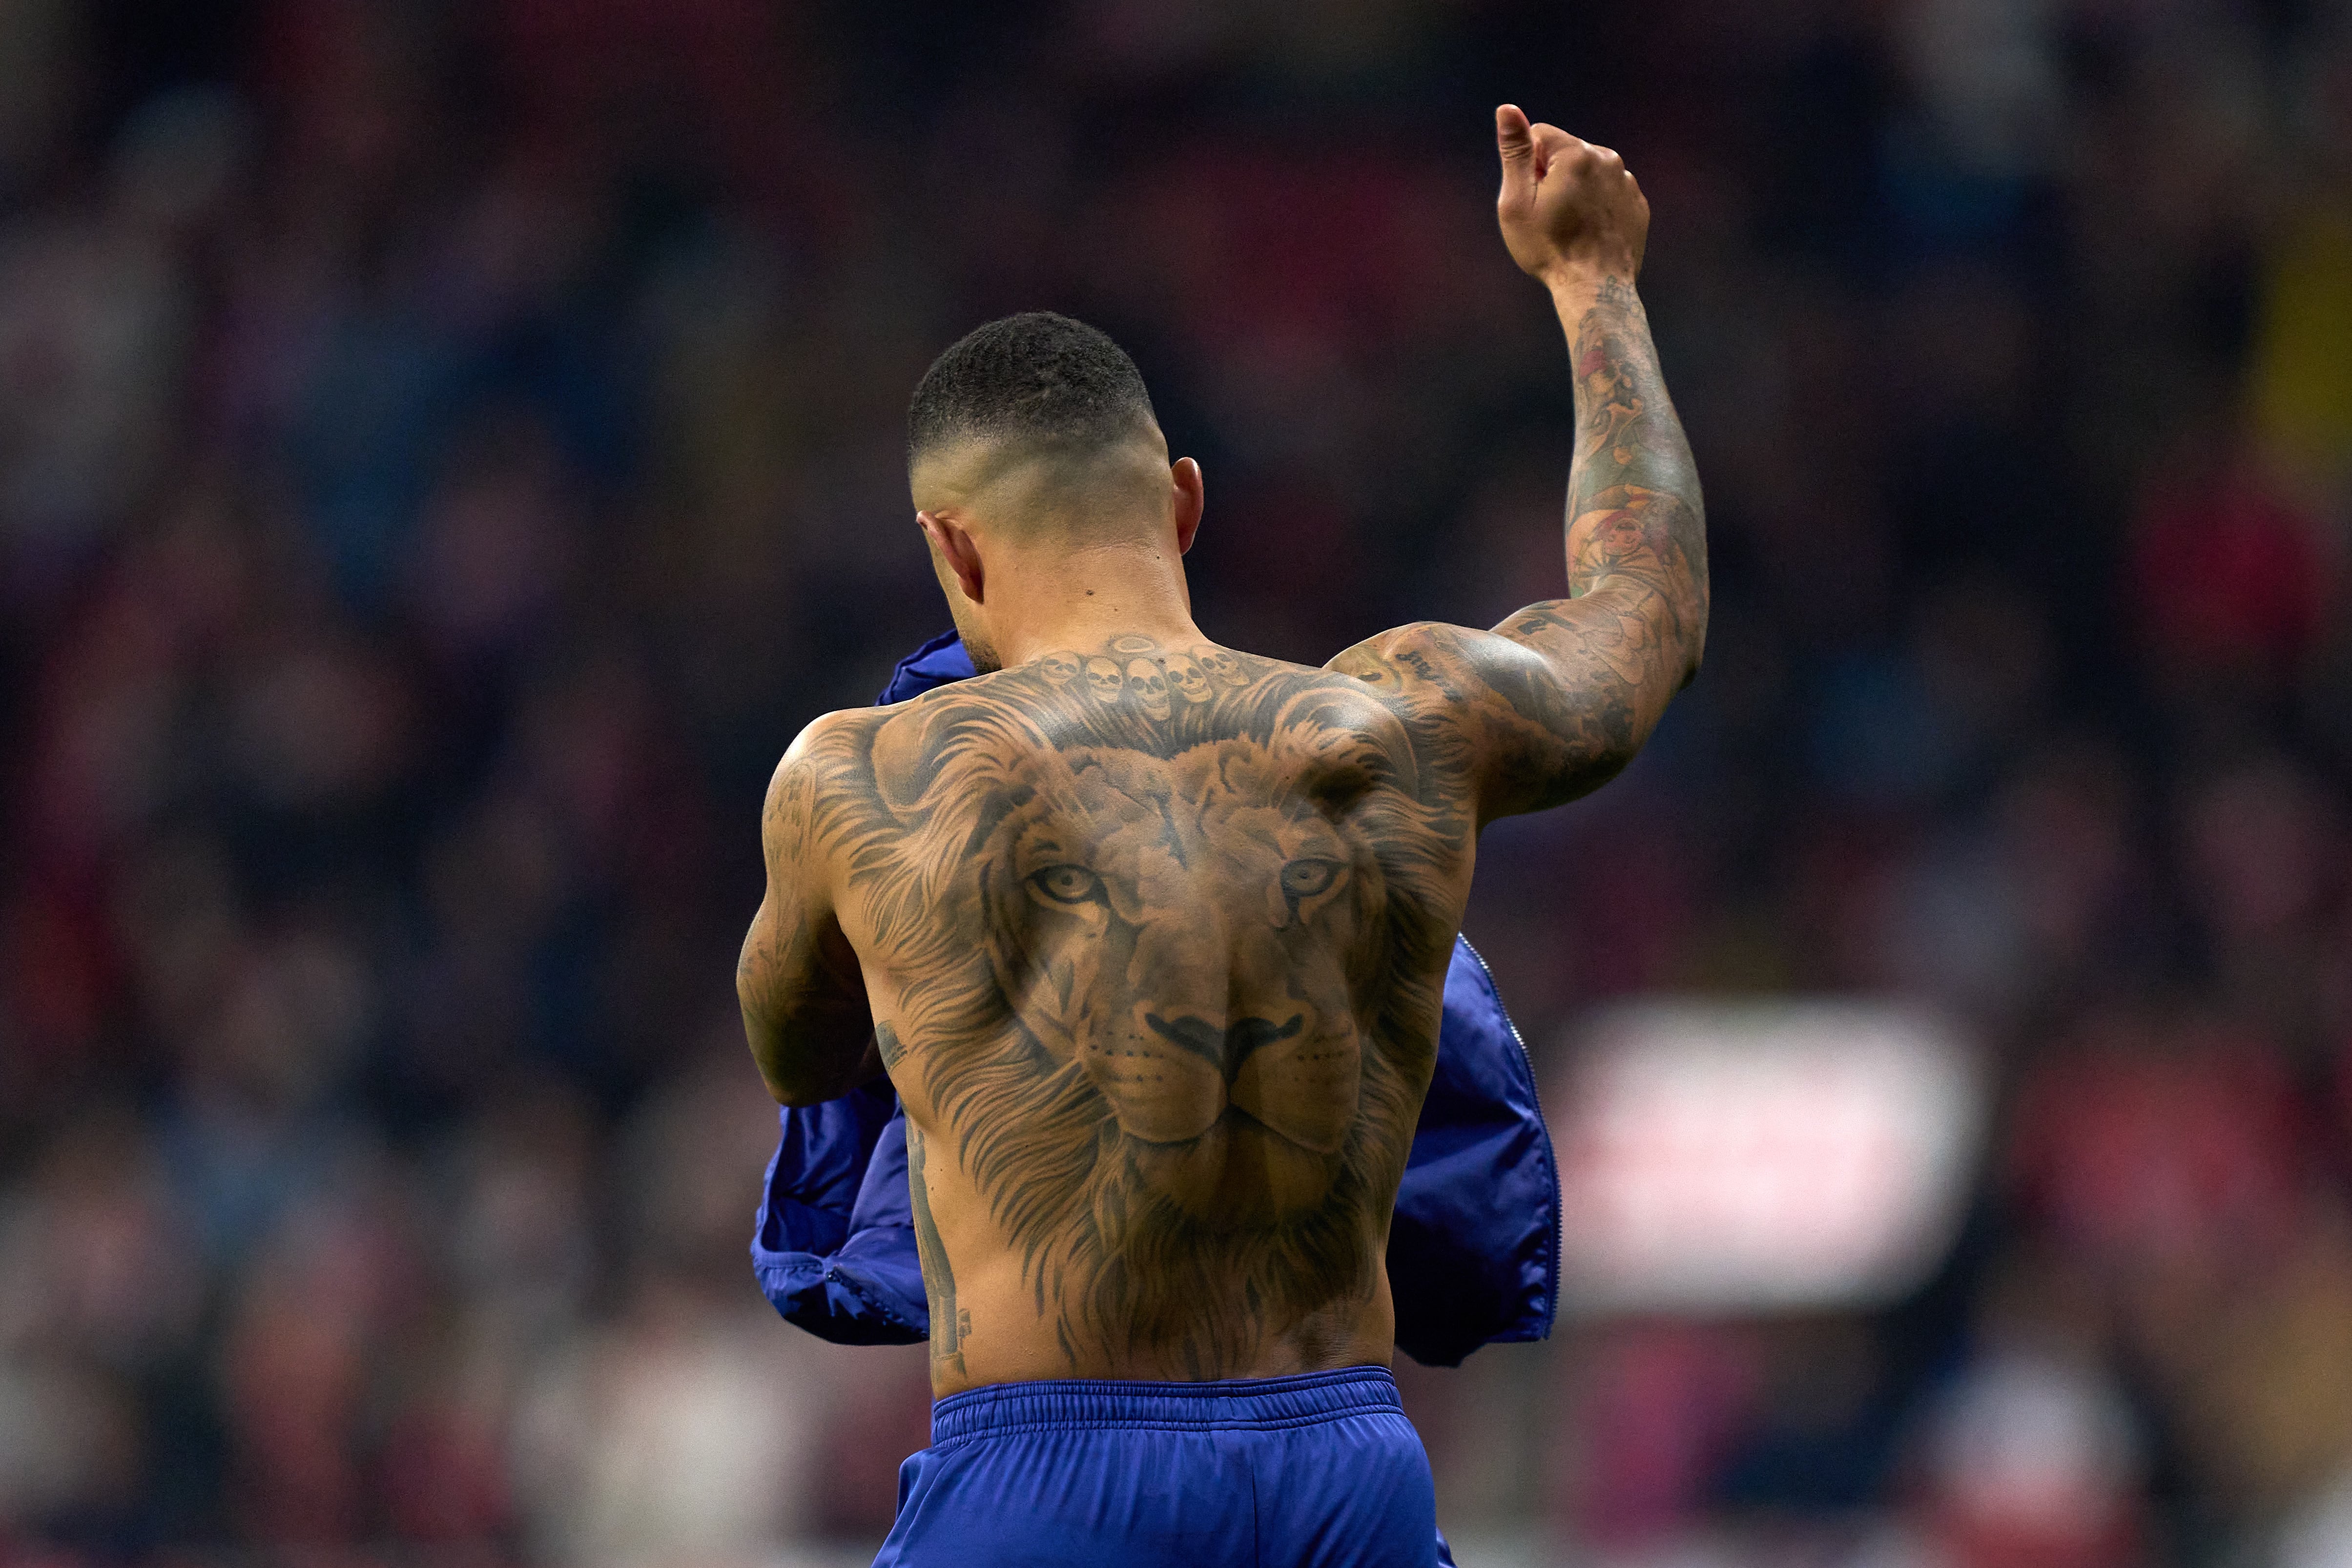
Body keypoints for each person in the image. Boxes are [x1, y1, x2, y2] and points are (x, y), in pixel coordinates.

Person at [737, 103, 1707, 1568]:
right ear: (1184, 502)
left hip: (1041, 1482)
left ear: (950, 548)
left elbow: (798, 1056)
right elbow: (1646, 620)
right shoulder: (1401, 728)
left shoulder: (863, 778)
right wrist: (1595, 286)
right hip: (1340, 1476)